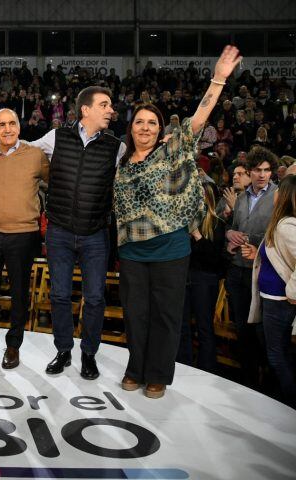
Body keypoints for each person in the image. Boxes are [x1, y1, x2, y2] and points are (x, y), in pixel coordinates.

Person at [113, 46, 242, 399]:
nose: (145, 126)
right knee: (136, 315)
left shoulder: (173, 149)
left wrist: (218, 78)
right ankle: (135, 368)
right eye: (139, 121)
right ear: (131, 128)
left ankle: (157, 375)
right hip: (133, 253)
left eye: (152, 122)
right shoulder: (122, 165)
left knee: (167, 316)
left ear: (160, 129)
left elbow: (199, 117)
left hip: (171, 249)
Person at [8, 86, 127, 380]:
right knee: (60, 296)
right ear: (86, 110)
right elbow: (23, 148)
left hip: (96, 234)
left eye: (110, 105)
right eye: (105, 105)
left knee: (95, 298)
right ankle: (63, 350)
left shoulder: (117, 147)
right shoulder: (57, 136)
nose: (111, 110)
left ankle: (88, 354)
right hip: (60, 231)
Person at [0, 108, 49, 372]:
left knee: (19, 295)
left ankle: (13, 346)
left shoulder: (35, 155)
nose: (7, 129)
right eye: (1, 125)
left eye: (12, 123)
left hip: (23, 235)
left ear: (19, 126)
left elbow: (54, 182)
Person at [225, 145, 280, 387]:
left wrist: (258, 250)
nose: (262, 175)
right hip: (237, 270)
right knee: (242, 330)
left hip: (262, 274)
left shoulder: (279, 197)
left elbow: (283, 238)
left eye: (267, 170)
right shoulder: (242, 198)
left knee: (261, 332)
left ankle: (267, 384)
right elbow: (234, 227)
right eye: (257, 170)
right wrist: (229, 236)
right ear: (250, 171)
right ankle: (248, 383)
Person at [243, 175, 296, 408]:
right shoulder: (281, 222)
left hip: (280, 301)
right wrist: (258, 254)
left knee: (277, 356)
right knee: (276, 353)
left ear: (283, 196)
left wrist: (293, 292)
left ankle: (290, 403)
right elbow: (280, 259)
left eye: (277, 188)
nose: (272, 191)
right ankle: (280, 399)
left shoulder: (286, 226)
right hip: (271, 298)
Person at [177, 182, 226, 372]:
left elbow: (215, 260)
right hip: (183, 277)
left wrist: (197, 235)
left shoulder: (217, 223)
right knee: (182, 327)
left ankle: (207, 371)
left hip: (205, 280)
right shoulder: (182, 222)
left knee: (204, 327)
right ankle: (183, 367)